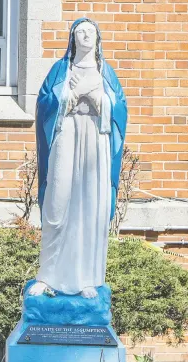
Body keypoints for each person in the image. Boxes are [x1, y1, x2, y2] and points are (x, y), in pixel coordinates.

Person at [28, 18, 127, 299]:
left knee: (88, 208)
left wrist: (99, 100)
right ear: (72, 38)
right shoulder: (61, 69)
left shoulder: (106, 72)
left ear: (98, 38)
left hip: (95, 141)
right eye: (80, 32)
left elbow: (119, 110)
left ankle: (88, 279)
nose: (85, 35)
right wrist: (67, 96)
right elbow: (45, 103)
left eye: (90, 32)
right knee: (57, 206)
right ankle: (48, 277)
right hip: (66, 136)